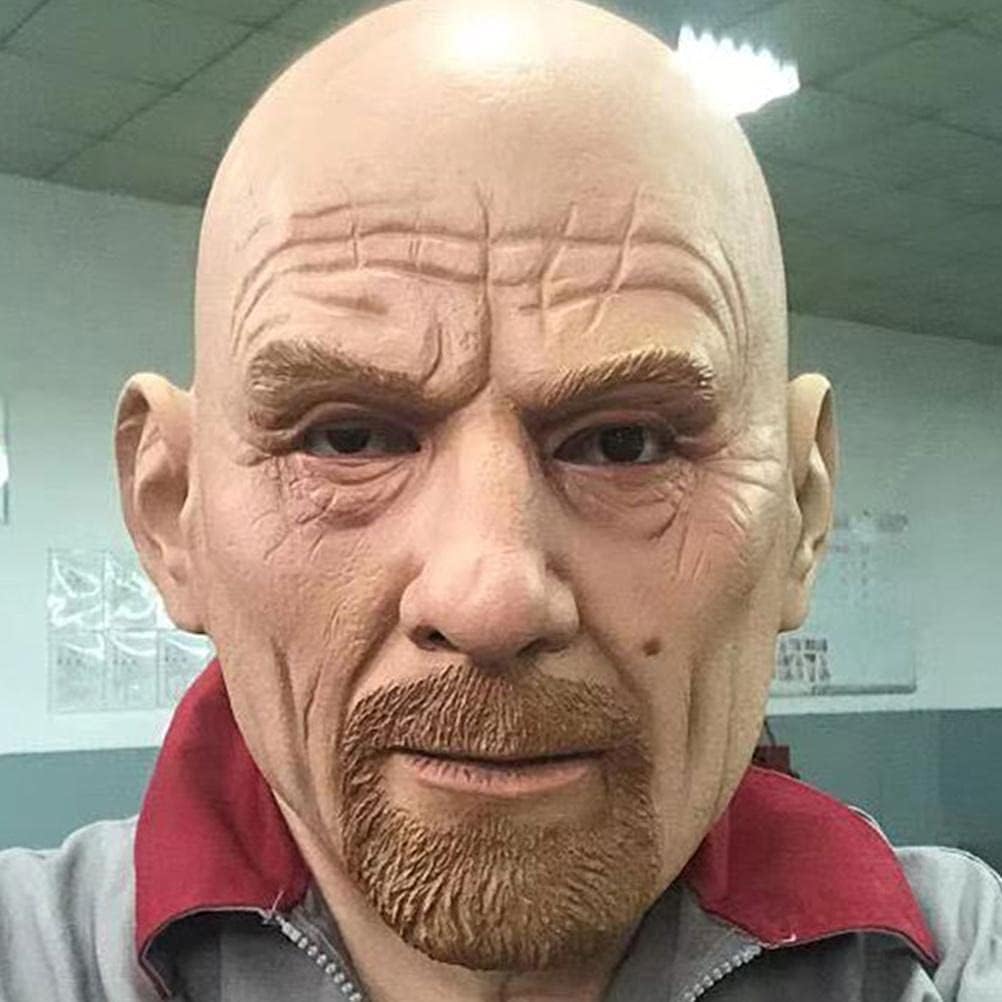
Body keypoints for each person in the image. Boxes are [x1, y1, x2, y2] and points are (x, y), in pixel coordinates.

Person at [2, 1, 1000, 999]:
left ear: (800, 514)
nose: (491, 602)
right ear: (173, 514)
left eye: (624, 444)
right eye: (347, 439)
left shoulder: (949, 961)